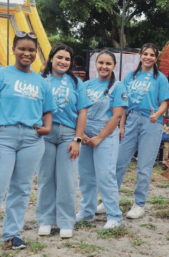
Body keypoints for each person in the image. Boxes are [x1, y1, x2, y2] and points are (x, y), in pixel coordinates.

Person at [100, 43, 169, 218]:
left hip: (151, 122)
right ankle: (109, 200)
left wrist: (158, 115)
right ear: (140, 55)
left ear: (156, 58)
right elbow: (123, 104)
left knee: (143, 167)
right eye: (145, 53)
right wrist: (121, 126)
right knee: (118, 163)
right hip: (130, 120)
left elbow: (165, 102)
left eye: (152, 55)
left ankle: (139, 204)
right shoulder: (130, 77)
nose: (148, 57)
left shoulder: (160, 78)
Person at [0, 32, 55, 249]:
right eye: (22, 48)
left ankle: (12, 235)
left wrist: (48, 127)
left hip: (32, 140)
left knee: (22, 188)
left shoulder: (42, 83)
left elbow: (47, 110)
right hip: (5, 135)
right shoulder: (3, 74)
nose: (27, 53)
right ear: (13, 49)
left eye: (31, 50)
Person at [36, 44, 92, 238]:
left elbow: (83, 111)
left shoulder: (76, 83)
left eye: (67, 59)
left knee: (67, 180)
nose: (63, 62)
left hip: (69, 135)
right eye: (60, 57)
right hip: (45, 134)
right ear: (51, 58)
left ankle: (66, 221)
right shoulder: (40, 80)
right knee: (45, 179)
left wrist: (78, 138)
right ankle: (45, 220)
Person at [76, 50, 128, 229]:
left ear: (114, 66)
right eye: (101, 63)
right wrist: (81, 134)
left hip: (105, 137)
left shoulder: (118, 86)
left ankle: (114, 216)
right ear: (95, 64)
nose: (104, 66)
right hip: (85, 138)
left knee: (106, 176)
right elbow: (80, 110)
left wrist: (99, 137)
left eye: (108, 63)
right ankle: (87, 212)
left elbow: (117, 116)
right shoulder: (87, 85)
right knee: (86, 176)